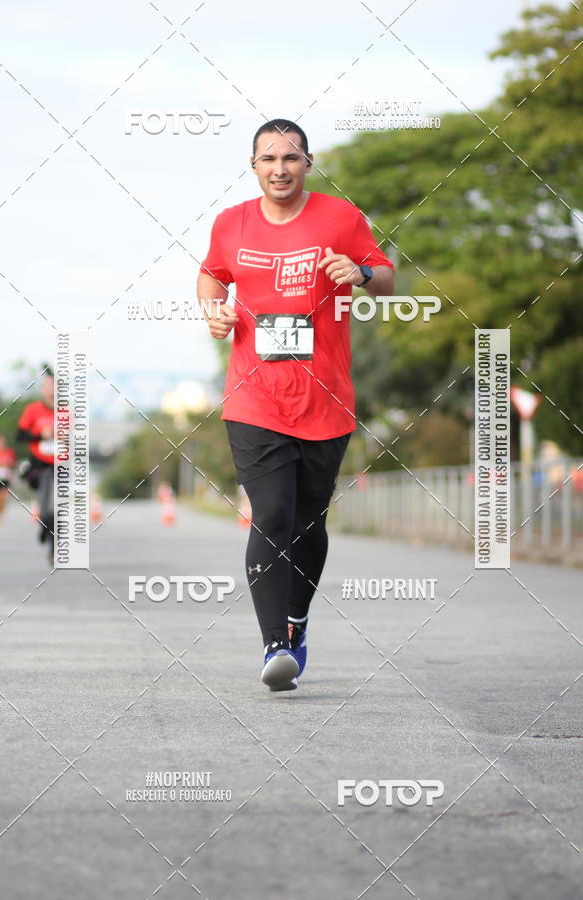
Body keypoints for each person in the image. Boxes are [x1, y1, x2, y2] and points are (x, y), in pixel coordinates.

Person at [198, 118, 395, 692]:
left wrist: (361, 273)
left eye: (290, 158)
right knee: (273, 514)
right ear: (253, 165)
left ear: (308, 163)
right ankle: (275, 646)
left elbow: (388, 279)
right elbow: (211, 277)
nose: (279, 168)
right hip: (253, 397)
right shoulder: (231, 223)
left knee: (308, 523)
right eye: (268, 158)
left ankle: (297, 620)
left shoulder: (341, 217)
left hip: (326, 400)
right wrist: (214, 312)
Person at [16, 370, 55, 563]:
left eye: (55, 387)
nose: (52, 391)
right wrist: (40, 436)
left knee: (55, 509)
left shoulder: (67, 412)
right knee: (45, 511)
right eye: (48, 387)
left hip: (61, 466)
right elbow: (20, 436)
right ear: (43, 390)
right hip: (40, 466)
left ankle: (53, 550)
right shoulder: (33, 410)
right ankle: (44, 526)